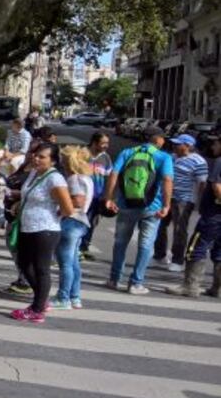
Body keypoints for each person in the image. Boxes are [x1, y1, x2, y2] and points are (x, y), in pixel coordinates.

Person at [103, 126, 174, 294]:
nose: (164, 141)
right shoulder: (163, 157)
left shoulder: (127, 152)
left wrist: (109, 198)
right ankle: (135, 283)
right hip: (151, 207)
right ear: (157, 139)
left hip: (126, 204)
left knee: (120, 242)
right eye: (163, 138)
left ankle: (114, 279)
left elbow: (114, 174)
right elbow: (167, 180)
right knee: (146, 245)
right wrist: (166, 204)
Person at [10, 143, 74, 323]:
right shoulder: (33, 173)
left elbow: (68, 208)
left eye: (42, 157)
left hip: (45, 230)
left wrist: (52, 214)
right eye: (36, 155)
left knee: (41, 269)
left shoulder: (55, 179)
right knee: (23, 263)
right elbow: (28, 195)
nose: (36, 159)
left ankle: (37, 310)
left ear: (52, 161)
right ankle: (41, 299)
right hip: (27, 226)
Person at [167, 137, 221, 298]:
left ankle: (190, 286)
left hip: (213, 215)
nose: (213, 146)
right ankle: (216, 288)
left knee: (196, 249)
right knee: (219, 251)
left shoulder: (219, 161)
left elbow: (216, 186)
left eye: (217, 144)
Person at [154, 133, 207, 272]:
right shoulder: (171, 157)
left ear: (188, 146)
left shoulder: (198, 161)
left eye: (178, 144)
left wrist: (199, 202)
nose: (175, 146)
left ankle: (177, 260)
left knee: (179, 230)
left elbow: (202, 183)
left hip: (184, 200)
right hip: (166, 197)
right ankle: (159, 255)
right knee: (159, 225)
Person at [52, 146, 95, 310]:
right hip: (81, 221)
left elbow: (78, 201)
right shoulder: (87, 178)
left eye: (63, 159)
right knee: (74, 263)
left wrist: (61, 206)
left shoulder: (74, 179)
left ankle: (63, 297)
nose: (61, 162)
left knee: (65, 263)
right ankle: (74, 296)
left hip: (71, 220)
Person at [79, 131, 112, 260]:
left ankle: (84, 247)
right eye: (103, 143)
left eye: (107, 143)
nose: (106, 146)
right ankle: (76, 248)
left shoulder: (105, 158)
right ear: (94, 142)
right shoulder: (81, 154)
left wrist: (107, 196)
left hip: (97, 197)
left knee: (92, 223)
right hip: (82, 196)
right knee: (79, 222)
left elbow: (109, 177)